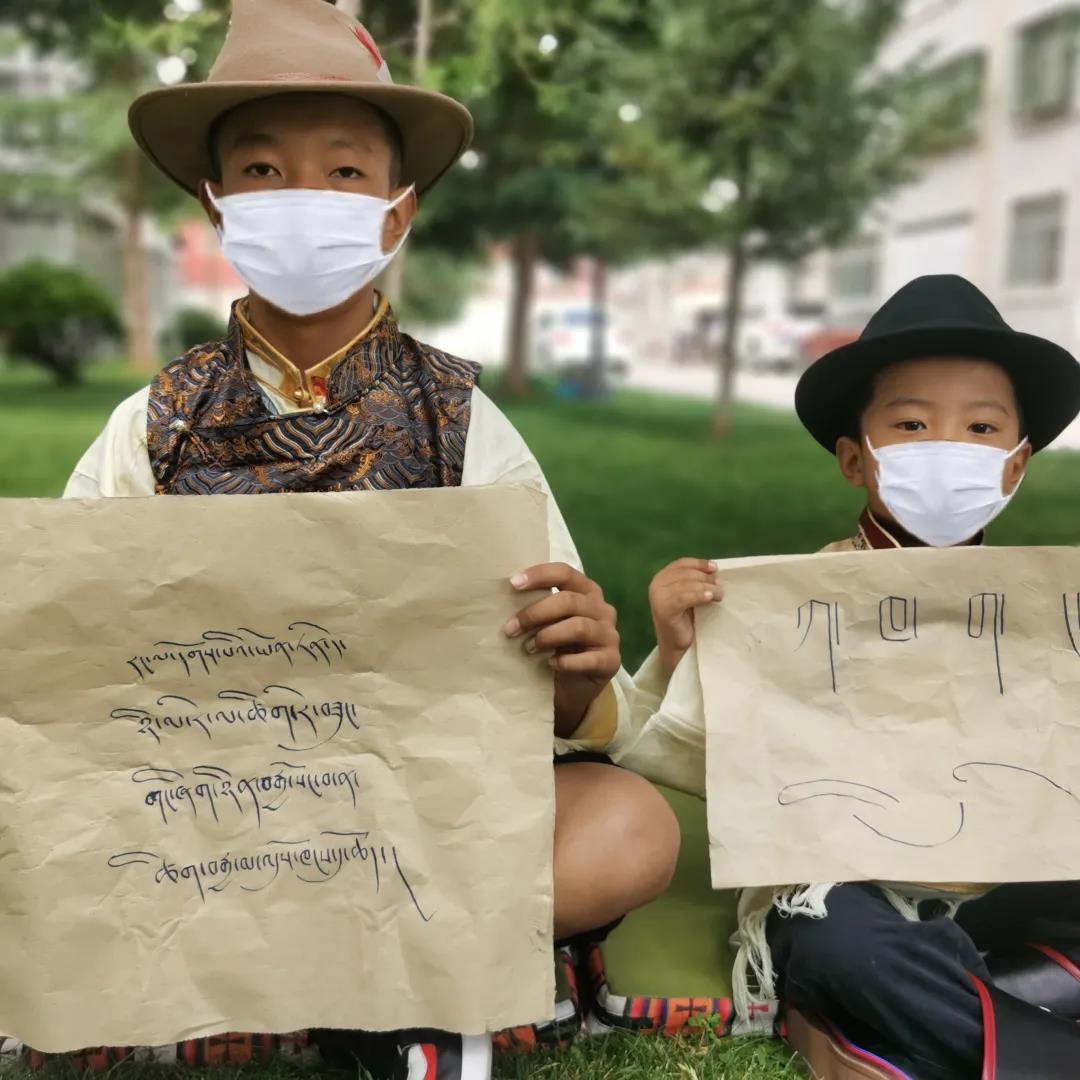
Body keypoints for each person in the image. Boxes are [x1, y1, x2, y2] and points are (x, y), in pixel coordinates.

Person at [61, 1, 679, 1076]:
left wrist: (578, 673)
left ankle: (302, 971)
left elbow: (559, 695)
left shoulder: (462, 420)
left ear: (396, 215)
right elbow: (64, 655)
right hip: (213, 819)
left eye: (343, 172)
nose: (301, 195)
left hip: (417, 821)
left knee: (628, 825)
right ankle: (399, 979)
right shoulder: (152, 426)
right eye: (263, 170)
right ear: (216, 205)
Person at [619, 275, 1080, 1080]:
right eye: (912, 424)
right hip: (848, 893)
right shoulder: (788, 604)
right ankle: (1019, 1020)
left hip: (1011, 880)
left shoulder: (1052, 613)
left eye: (981, 428)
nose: (949, 447)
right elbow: (670, 755)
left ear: (1015, 466)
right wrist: (681, 648)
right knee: (845, 948)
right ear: (854, 458)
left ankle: (946, 1016)